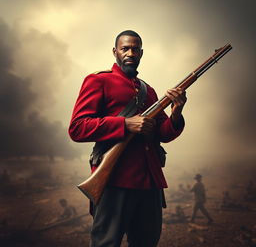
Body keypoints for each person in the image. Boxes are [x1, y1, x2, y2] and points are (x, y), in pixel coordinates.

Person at [69, 30, 187, 247]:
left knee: (146, 242)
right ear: (115, 52)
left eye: (135, 49)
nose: (130, 53)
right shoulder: (98, 80)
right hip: (114, 180)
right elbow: (77, 128)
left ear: (141, 53)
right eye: (125, 48)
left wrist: (176, 112)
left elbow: (164, 133)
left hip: (150, 182)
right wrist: (125, 124)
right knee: (106, 242)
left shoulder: (148, 91)